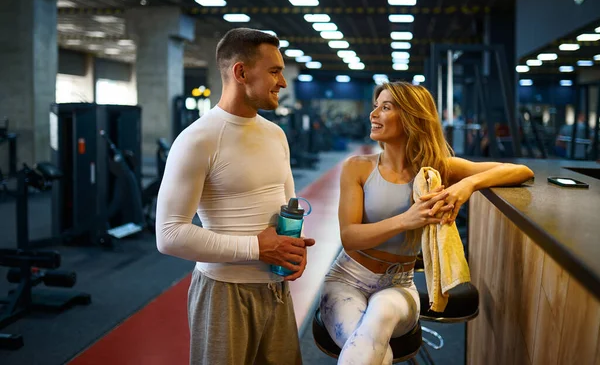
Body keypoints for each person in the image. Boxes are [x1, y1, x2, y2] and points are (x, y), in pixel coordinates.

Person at [320, 81, 534, 364]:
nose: (373, 114)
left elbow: (520, 170)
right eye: (375, 107)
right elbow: (350, 237)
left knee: (381, 315)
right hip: (347, 280)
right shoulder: (358, 167)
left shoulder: (437, 169)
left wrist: (467, 184)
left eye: (385, 107)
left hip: (398, 286)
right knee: (374, 351)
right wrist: (406, 220)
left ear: (411, 117)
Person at [155, 28, 315, 365]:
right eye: (274, 71)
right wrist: (258, 248)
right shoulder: (197, 139)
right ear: (240, 72)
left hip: (276, 291)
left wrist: (293, 250)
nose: (283, 83)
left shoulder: (276, 134)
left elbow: (289, 207)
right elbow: (168, 235)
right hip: (224, 293)